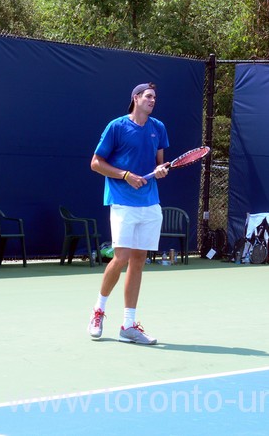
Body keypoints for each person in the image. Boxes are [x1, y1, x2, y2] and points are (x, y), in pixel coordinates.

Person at [88, 82, 170, 345]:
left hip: (150, 203)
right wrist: (125, 175)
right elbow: (96, 163)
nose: (152, 100)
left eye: (154, 97)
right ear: (135, 98)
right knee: (121, 257)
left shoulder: (158, 128)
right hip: (122, 200)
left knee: (138, 260)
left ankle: (128, 325)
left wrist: (161, 170)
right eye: (148, 96)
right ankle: (98, 311)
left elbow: (159, 165)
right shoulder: (117, 127)